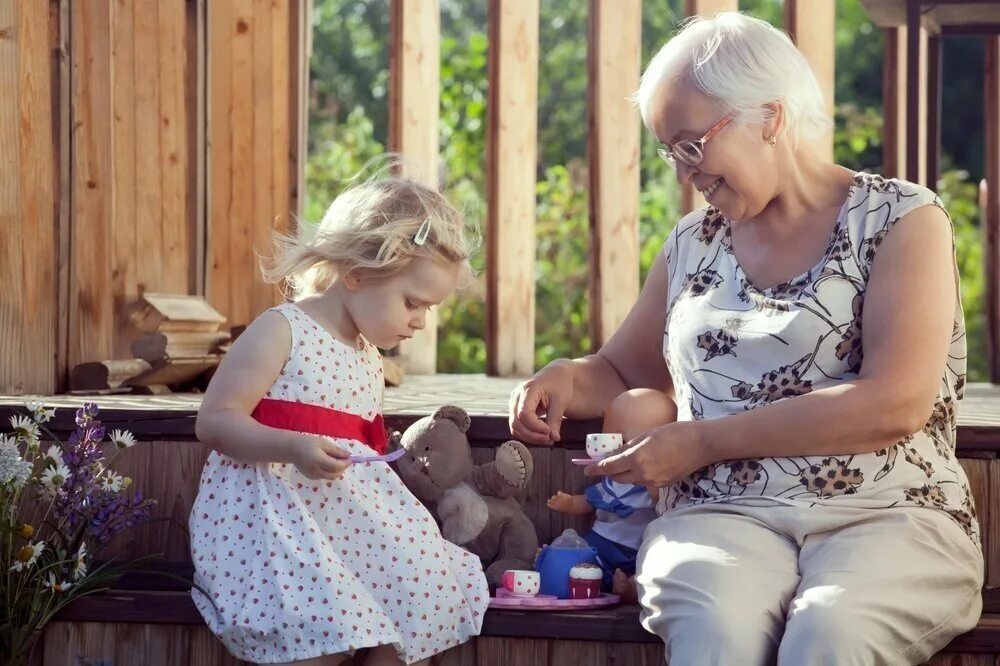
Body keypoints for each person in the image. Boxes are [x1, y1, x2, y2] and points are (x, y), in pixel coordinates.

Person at [508, 12, 983, 665]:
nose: (682, 172)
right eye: (668, 151)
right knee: (714, 634)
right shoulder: (691, 243)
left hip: (887, 512)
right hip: (721, 517)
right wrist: (566, 374)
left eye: (692, 146)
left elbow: (893, 403)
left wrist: (702, 441)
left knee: (831, 637)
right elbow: (620, 369)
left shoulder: (904, 220)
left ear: (772, 117)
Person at [190, 173, 488, 665]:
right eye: (412, 302)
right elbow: (215, 421)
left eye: (429, 308)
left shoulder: (368, 355)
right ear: (355, 272)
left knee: (426, 596)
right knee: (322, 633)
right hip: (272, 518)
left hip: (346, 515)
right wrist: (291, 447)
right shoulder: (283, 329)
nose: (420, 321)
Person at [546, 389, 675, 602]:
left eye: (620, 439)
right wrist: (569, 503)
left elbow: (664, 503)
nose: (608, 444)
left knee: (650, 570)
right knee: (584, 561)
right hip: (601, 543)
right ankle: (561, 567)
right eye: (606, 434)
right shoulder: (611, 481)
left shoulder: (657, 485)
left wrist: (654, 482)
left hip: (639, 549)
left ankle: (629, 589)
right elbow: (588, 501)